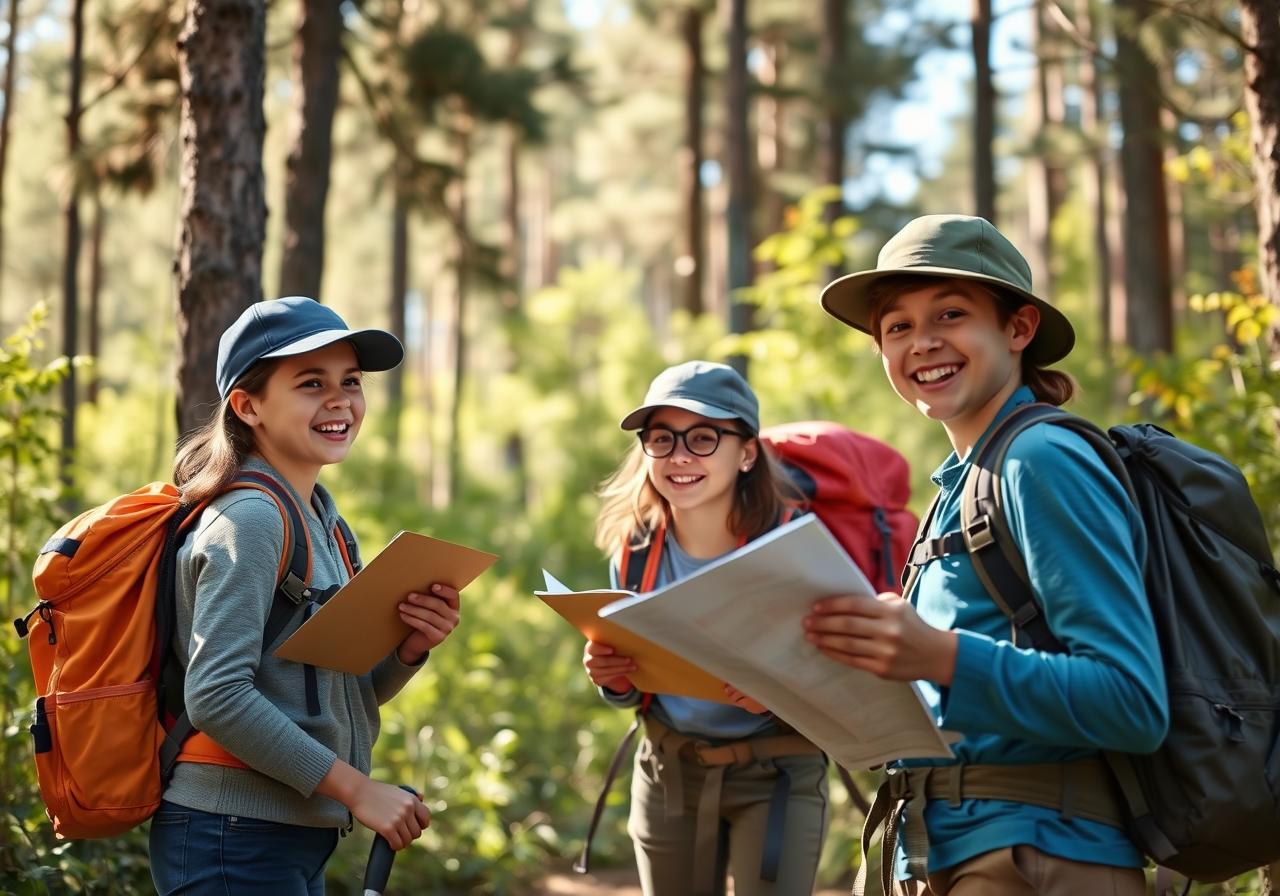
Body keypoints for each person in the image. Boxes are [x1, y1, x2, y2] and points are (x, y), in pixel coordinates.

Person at [806, 215, 1168, 895]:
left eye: (951, 313)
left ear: (1018, 329)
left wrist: (938, 658)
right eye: (898, 327)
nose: (923, 343)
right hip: (945, 850)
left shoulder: (1041, 461)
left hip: (1035, 854)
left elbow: (1131, 702)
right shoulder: (962, 484)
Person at [149, 297, 458, 895]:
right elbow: (215, 695)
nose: (340, 400)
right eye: (311, 383)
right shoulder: (250, 519)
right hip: (229, 836)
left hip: (285, 831)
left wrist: (410, 649)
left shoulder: (325, 523)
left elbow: (342, 691)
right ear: (248, 405)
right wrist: (358, 790)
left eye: (351, 382)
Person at [583, 360, 829, 896]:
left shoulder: (794, 549)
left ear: (746, 453)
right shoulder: (636, 550)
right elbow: (631, 689)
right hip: (670, 773)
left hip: (779, 775)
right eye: (662, 439)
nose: (680, 457)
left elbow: (837, 683)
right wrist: (614, 678)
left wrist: (775, 693)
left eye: (702, 438)